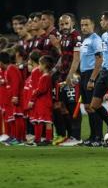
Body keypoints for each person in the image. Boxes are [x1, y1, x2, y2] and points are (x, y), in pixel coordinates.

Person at [52, 13, 82, 146]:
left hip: (72, 76)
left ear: (72, 24)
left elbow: (76, 58)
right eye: (62, 24)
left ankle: (76, 137)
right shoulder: (64, 37)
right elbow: (64, 56)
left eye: (66, 24)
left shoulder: (76, 36)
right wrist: (54, 70)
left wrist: (71, 75)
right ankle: (70, 136)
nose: (64, 26)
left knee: (73, 105)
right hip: (63, 75)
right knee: (63, 106)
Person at [79, 16, 103, 147]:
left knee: (93, 107)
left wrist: (92, 79)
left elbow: (99, 60)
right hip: (84, 75)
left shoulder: (96, 40)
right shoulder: (85, 40)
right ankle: (92, 136)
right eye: (82, 25)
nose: (83, 27)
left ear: (93, 25)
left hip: (91, 75)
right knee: (88, 107)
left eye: (86, 25)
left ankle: (98, 137)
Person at [27, 55, 55, 146]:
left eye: (40, 64)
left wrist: (34, 94)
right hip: (44, 101)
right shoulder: (46, 76)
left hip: (44, 102)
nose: (39, 66)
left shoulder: (45, 77)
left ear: (44, 65)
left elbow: (41, 90)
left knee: (46, 121)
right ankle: (39, 139)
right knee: (42, 120)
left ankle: (47, 139)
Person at [0, 51, 24, 145]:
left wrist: (15, 96)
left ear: (1, 62)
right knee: (14, 118)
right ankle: (14, 136)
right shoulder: (9, 69)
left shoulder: (11, 68)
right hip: (12, 97)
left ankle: (19, 138)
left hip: (17, 97)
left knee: (18, 117)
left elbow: (16, 83)